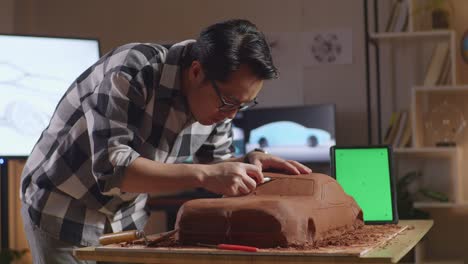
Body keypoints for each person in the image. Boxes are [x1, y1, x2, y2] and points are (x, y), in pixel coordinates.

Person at [20, 19, 312, 263]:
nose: (230, 115)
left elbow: (216, 165)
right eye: (228, 102)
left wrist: (248, 162)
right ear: (196, 71)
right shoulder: (132, 70)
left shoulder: (218, 104)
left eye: (244, 105)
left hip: (124, 215)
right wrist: (207, 175)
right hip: (62, 203)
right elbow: (113, 169)